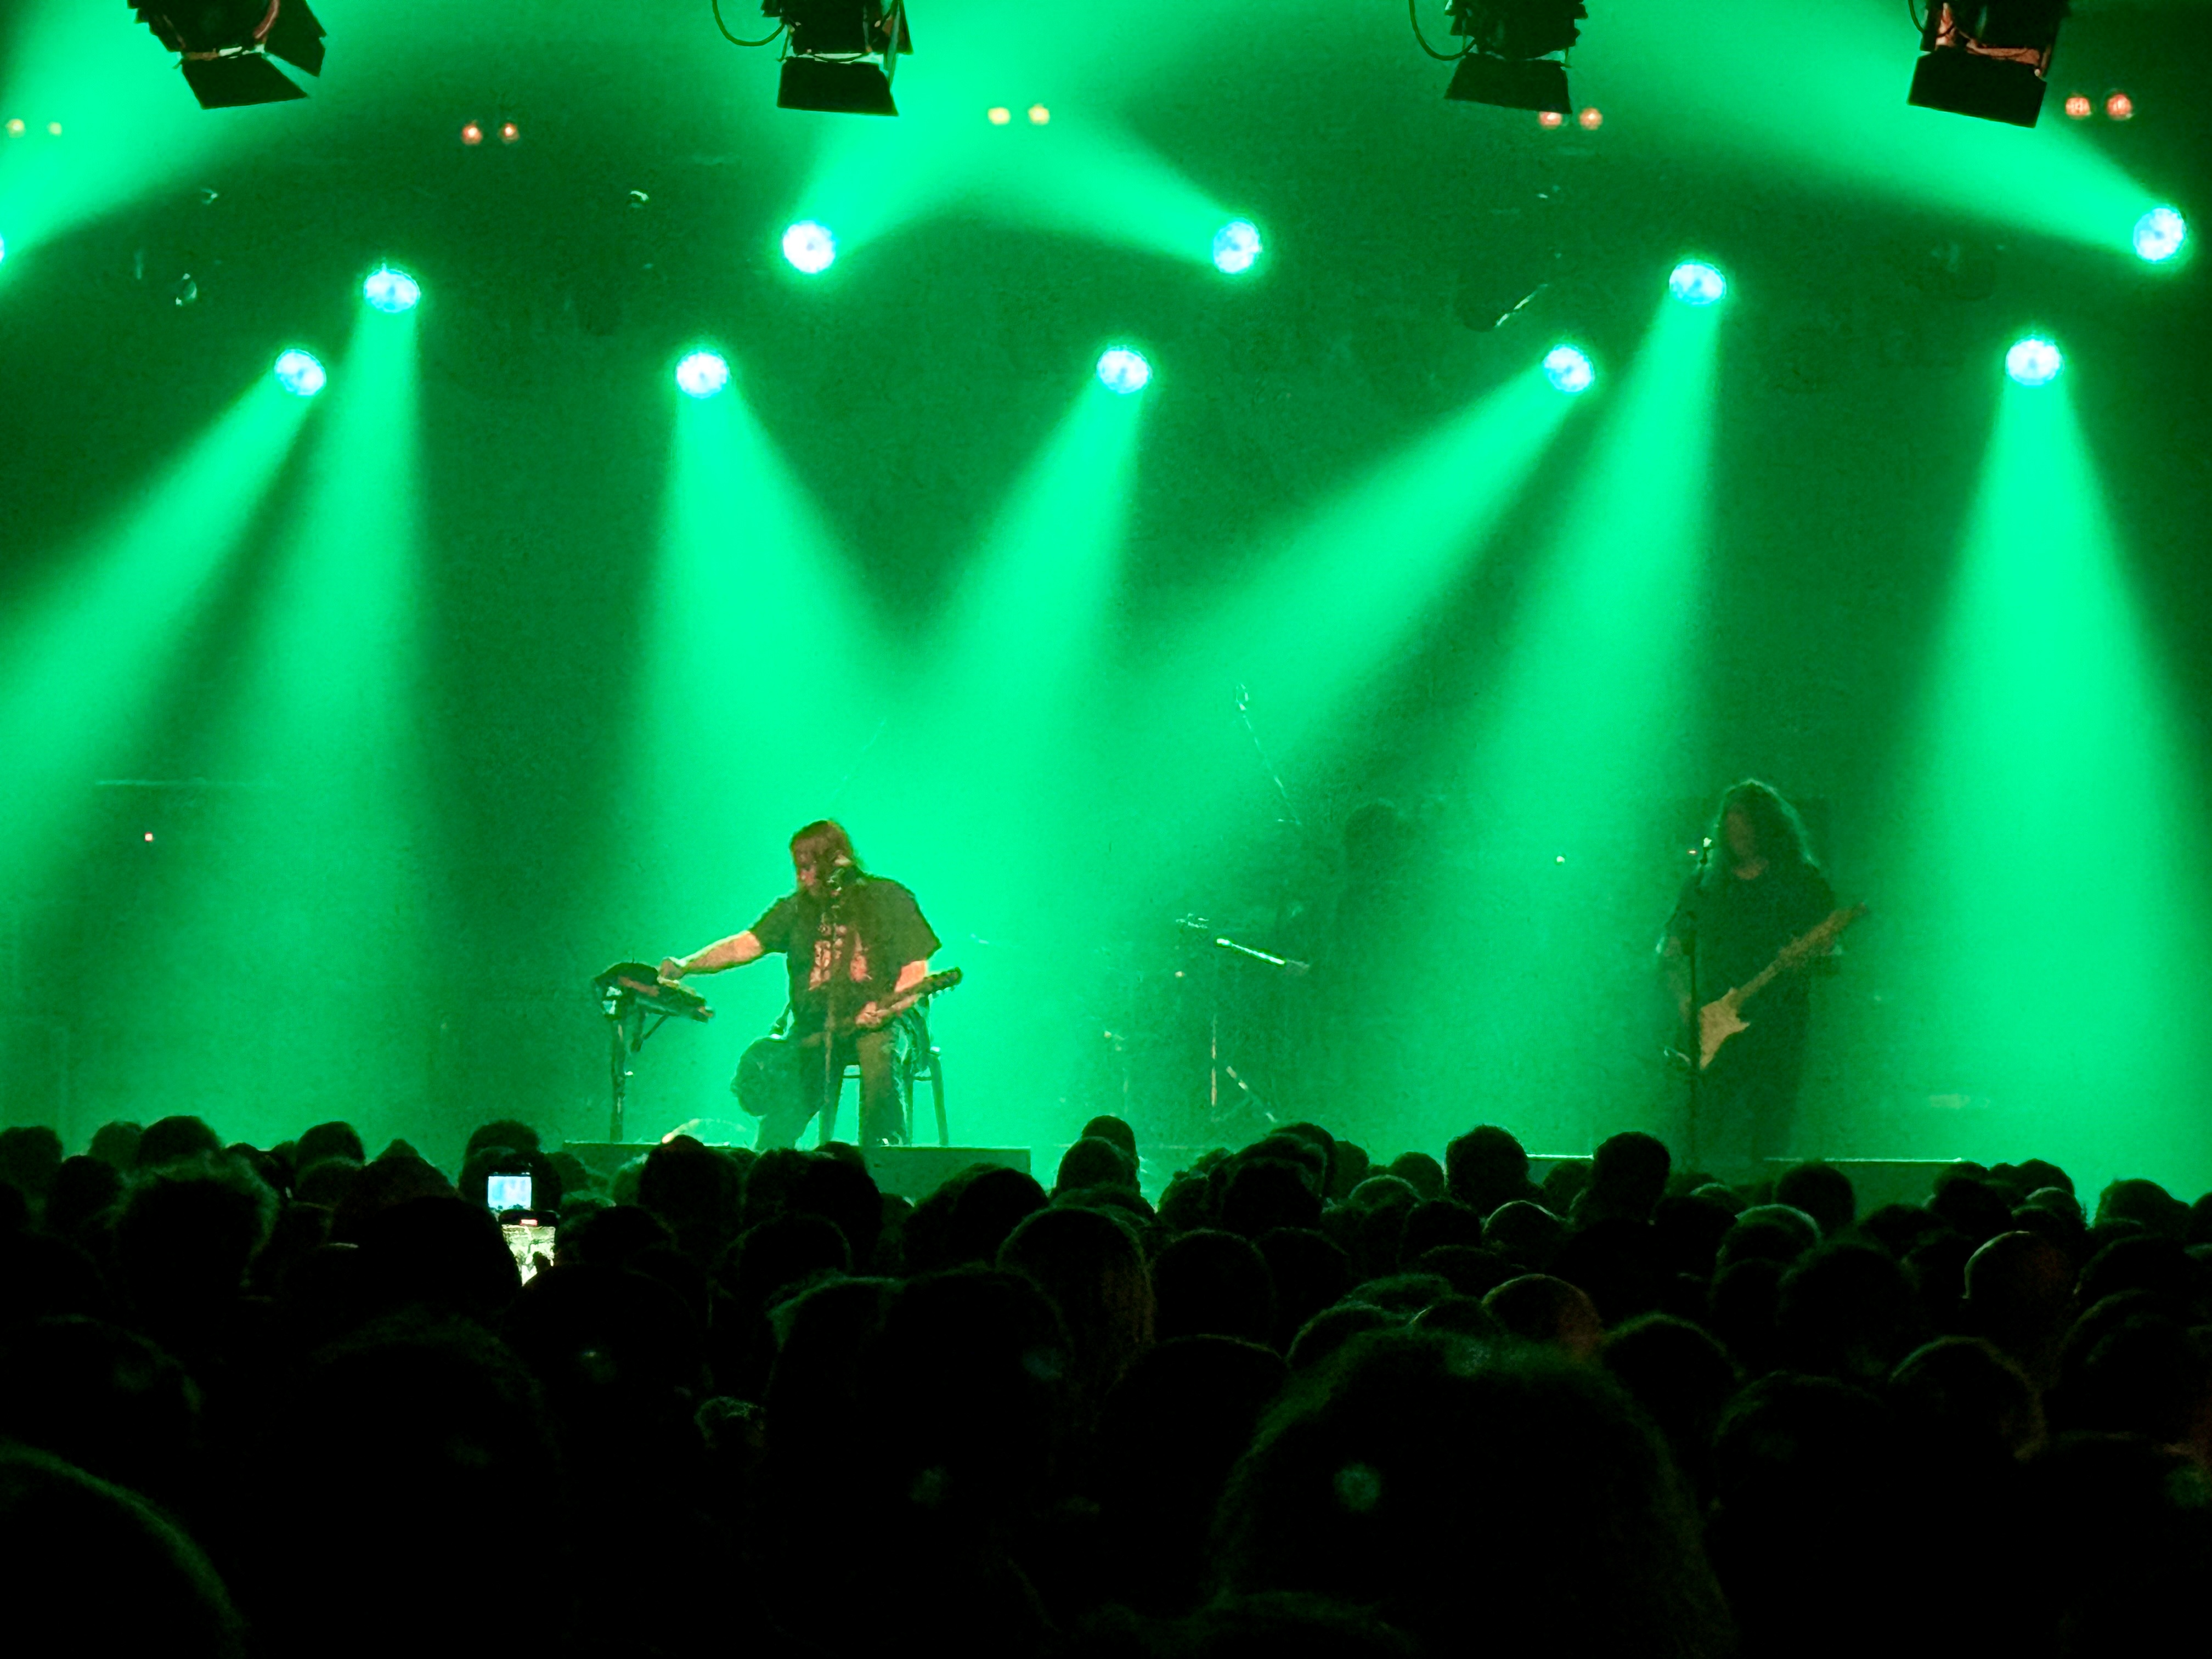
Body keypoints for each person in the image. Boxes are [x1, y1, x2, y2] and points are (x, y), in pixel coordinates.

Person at [661, 820, 940, 1150]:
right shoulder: (796, 909)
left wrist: (889, 1007)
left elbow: (915, 967)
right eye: (798, 868)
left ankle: (882, 1158)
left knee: (878, 1050)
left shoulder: (887, 898)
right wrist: (687, 965)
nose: (801, 878)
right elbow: (745, 946)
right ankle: (769, 1159)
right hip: (820, 1026)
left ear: (835, 862)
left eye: (807, 868)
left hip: (888, 1021)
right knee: (789, 1091)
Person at [1660, 781, 1839, 1181]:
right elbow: (1671, 952)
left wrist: (1805, 960)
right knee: (1698, 1125)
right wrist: (1685, 1000)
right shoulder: (1705, 884)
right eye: (1731, 825)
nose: (1738, 834)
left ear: (1769, 827)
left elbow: (1831, 954)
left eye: (1747, 825)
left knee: (1771, 1127)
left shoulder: (1802, 881)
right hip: (1713, 1022)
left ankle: (1767, 1195)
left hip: (1778, 1023)